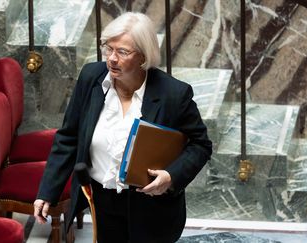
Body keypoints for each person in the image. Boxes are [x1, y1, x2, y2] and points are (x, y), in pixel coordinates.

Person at [34, 12, 212, 243]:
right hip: (102, 200)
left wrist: (171, 176)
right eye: (108, 48)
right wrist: (48, 192)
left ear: (143, 56)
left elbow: (201, 145)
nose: (112, 58)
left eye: (123, 52)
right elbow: (69, 137)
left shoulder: (173, 93)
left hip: (151, 207)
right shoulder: (91, 78)